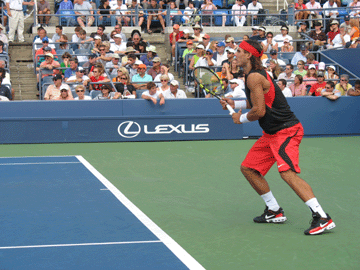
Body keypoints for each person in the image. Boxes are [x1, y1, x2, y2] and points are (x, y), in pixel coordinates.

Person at [220, 39, 335, 235]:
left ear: (248, 55)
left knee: (287, 173)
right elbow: (255, 102)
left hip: (286, 131)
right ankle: (274, 210)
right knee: (249, 168)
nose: (234, 54)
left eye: (238, 51)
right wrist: (235, 103)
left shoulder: (254, 77)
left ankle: (322, 217)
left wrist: (241, 119)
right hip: (271, 133)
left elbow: (259, 111)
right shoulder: (251, 75)